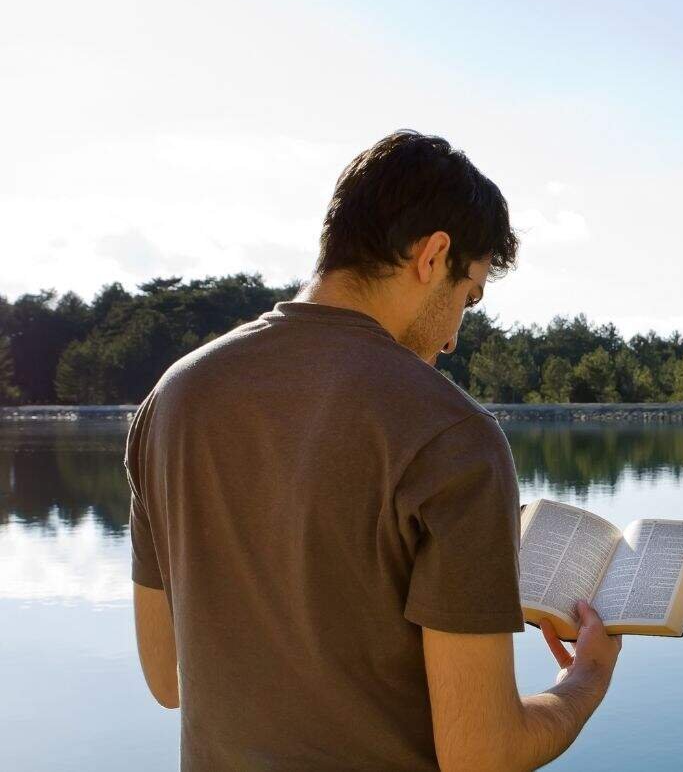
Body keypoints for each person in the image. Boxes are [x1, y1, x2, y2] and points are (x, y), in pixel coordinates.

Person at [127, 129, 621, 771]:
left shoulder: (173, 398)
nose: (452, 338)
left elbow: (168, 680)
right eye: (469, 297)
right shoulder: (451, 434)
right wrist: (586, 681)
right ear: (433, 255)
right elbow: (483, 755)